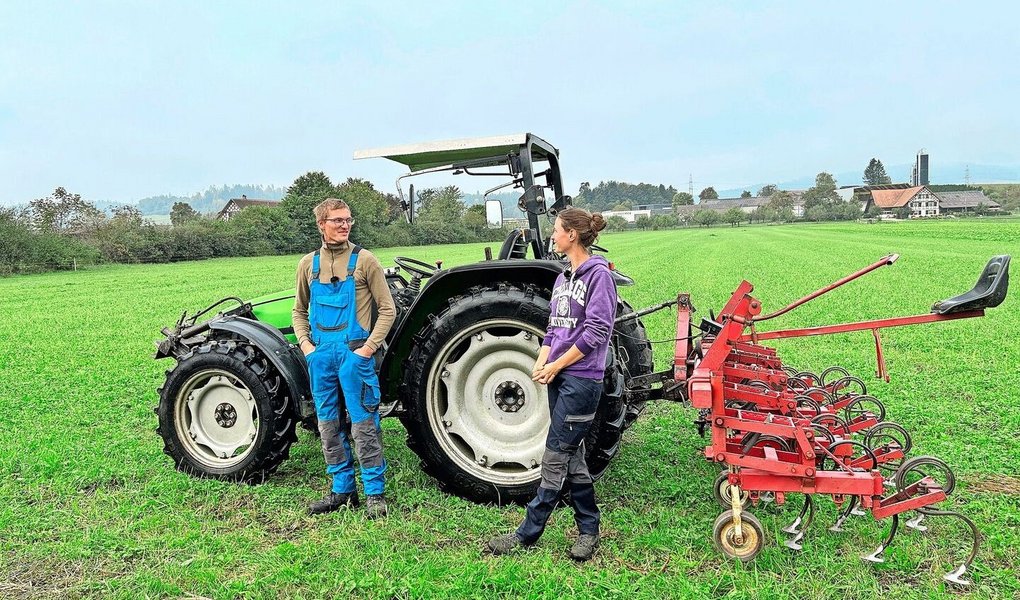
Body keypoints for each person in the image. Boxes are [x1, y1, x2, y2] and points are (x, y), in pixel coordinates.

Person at [487, 207, 616, 561]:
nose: (553, 236)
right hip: (558, 377)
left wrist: (558, 363)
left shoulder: (598, 277)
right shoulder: (563, 280)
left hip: (581, 379)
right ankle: (589, 530)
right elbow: (554, 329)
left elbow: (597, 332)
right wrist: (543, 360)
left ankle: (528, 533)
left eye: (557, 230)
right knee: (573, 457)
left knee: (556, 457)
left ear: (572, 235)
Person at [293, 198, 396, 518]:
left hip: (354, 354)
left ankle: (375, 494)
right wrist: (307, 347)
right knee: (327, 425)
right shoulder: (307, 265)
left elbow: (388, 310)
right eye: (337, 220)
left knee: (364, 425)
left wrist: (367, 350)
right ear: (321, 225)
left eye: (348, 220)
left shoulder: (365, 261)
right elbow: (298, 311)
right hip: (321, 355)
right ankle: (342, 491)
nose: (344, 225)